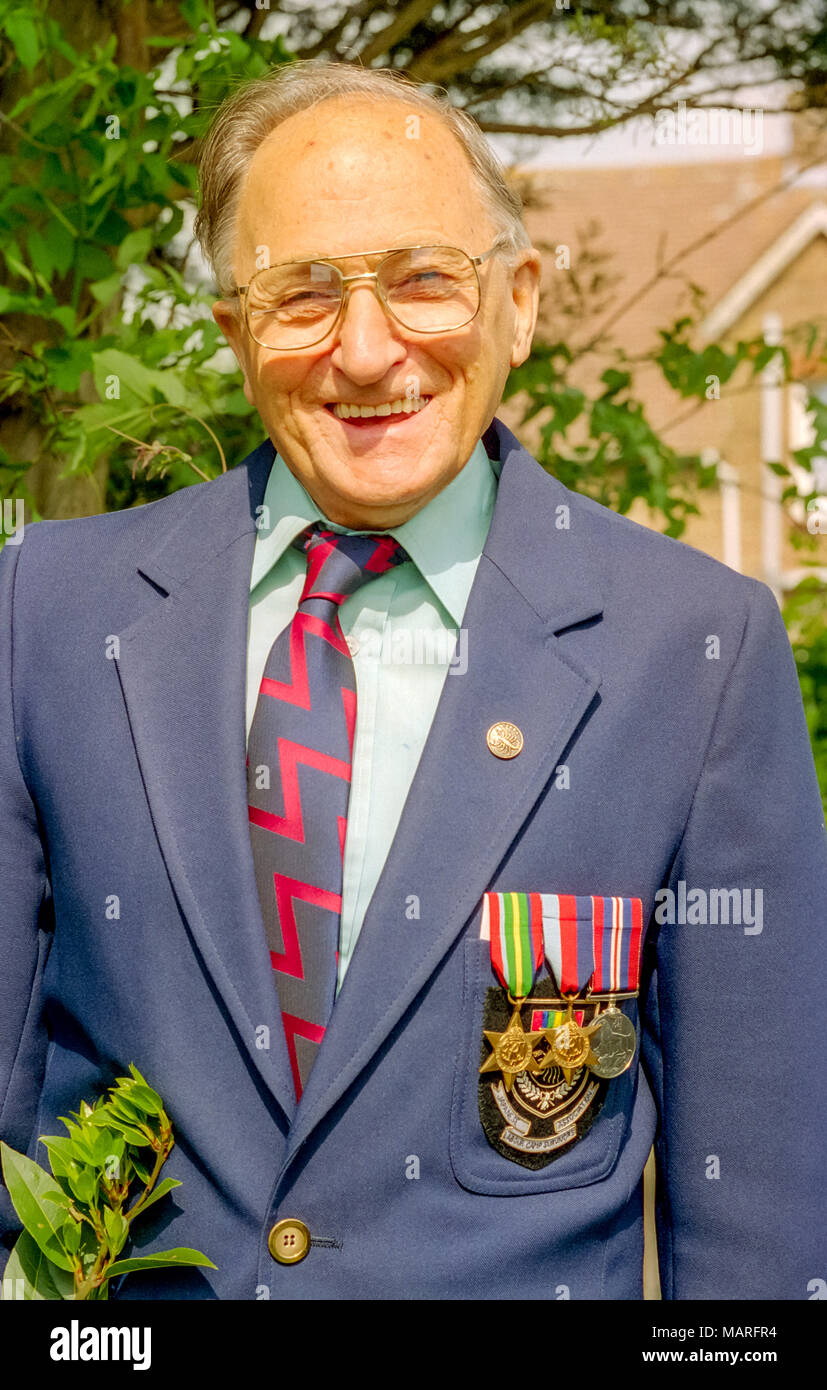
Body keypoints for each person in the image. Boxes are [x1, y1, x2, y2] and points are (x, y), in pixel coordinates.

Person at [1, 60, 824, 1302]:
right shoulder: (44, 613)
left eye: (425, 279)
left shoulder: (692, 650)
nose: (369, 348)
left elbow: (760, 1216)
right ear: (231, 331)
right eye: (303, 293)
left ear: (520, 302)